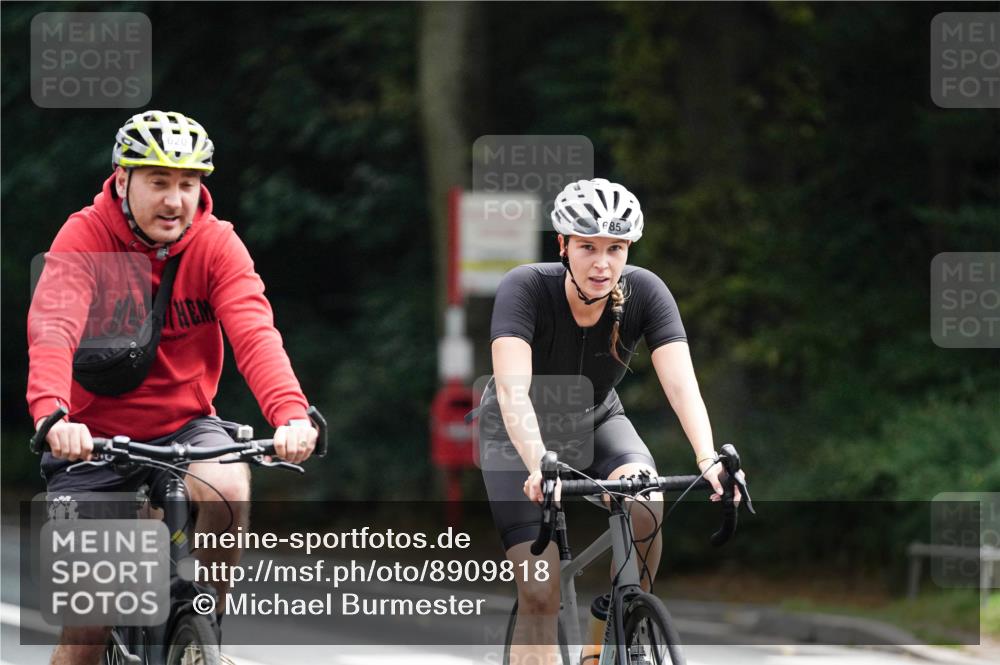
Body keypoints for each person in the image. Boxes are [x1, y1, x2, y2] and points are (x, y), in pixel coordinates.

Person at [26, 110, 318, 665]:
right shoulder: (85, 236)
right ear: (122, 179)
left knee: (229, 487)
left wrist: (290, 415)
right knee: (86, 633)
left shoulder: (216, 244)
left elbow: (255, 333)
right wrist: (53, 414)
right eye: (159, 181)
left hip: (186, 427)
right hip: (92, 439)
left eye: (188, 184)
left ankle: (203, 632)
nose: (175, 200)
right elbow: (53, 328)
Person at [478, 178, 745, 662]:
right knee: (541, 593)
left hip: (597, 418)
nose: (602, 264)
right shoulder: (526, 289)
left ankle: (614, 627)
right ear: (562, 245)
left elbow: (682, 385)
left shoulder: (645, 292)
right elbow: (513, 392)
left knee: (646, 499)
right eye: (588, 247)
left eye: (616, 248)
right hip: (514, 437)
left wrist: (708, 457)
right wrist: (540, 463)